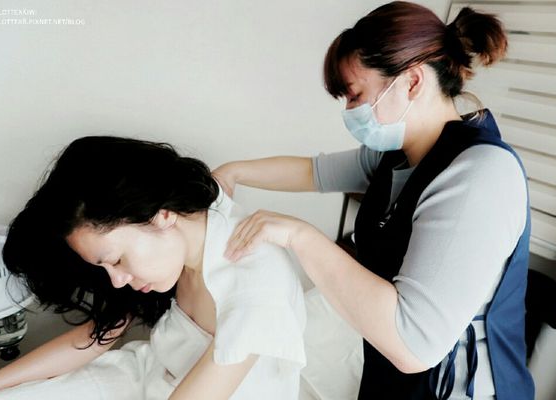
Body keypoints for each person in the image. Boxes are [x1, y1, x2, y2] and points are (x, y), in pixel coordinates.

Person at [214, 2, 534, 399]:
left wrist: (299, 236)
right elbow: (312, 172)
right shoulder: (400, 155)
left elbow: (414, 344)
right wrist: (232, 172)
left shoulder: (479, 176)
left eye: (355, 96)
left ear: (412, 82)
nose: (350, 112)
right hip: (387, 366)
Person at [0, 136, 306, 400]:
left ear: (162, 215)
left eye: (116, 260)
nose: (117, 281)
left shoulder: (256, 287)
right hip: (146, 373)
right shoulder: (189, 226)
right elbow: (97, 335)